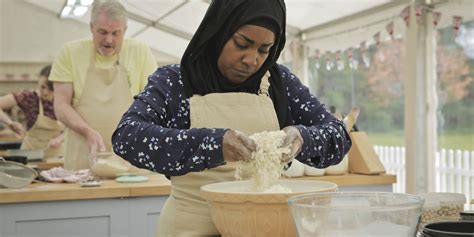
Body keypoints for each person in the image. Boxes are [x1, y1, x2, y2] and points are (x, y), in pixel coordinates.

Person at [112, 0, 352, 235]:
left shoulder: (279, 83)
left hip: (262, 227)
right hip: (190, 227)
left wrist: (302, 137)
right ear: (219, 32)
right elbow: (127, 135)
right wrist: (214, 144)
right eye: (241, 44)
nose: (251, 60)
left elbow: (338, 134)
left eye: (264, 50)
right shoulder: (175, 82)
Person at [50, 0, 157, 170]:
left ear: (125, 30)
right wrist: (87, 131)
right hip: (83, 157)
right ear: (91, 27)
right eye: (102, 32)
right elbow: (61, 105)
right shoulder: (70, 53)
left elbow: (154, 103)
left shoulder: (140, 51)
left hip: (130, 158)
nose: (109, 40)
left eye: (116, 33)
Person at [0, 65, 65, 158]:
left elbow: (73, 128)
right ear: (38, 81)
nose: (45, 92)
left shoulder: (64, 100)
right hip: (30, 153)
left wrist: (60, 139)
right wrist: (9, 122)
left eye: (51, 89)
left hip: (56, 155)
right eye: (43, 87)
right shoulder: (28, 97)